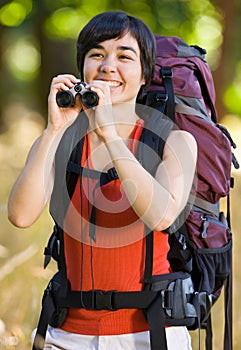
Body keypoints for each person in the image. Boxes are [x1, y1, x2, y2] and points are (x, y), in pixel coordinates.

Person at [8, 11, 197, 350]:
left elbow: (162, 216)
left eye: (125, 56)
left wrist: (109, 134)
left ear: (144, 75)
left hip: (150, 333)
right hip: (67, 334)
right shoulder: (62, 139)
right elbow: (20, 216)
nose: (109, 65)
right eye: (97, 54)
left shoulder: (174, 141)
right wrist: (54, 130)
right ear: (83, 67)